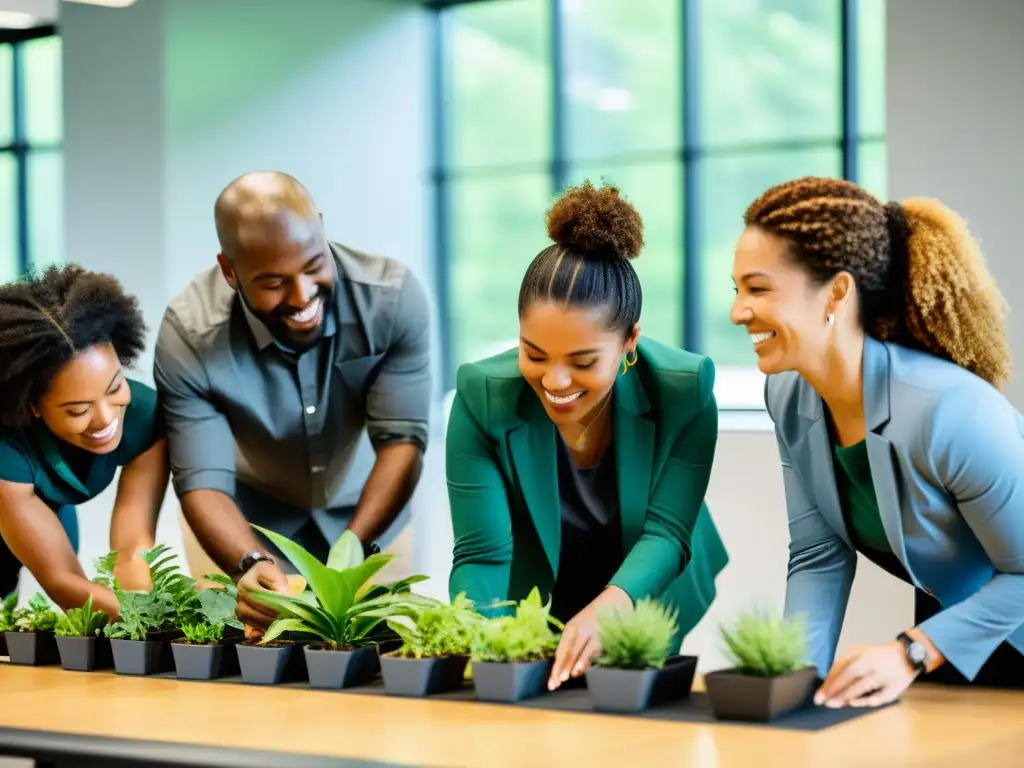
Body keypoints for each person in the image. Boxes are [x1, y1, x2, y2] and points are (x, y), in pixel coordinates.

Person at [731, 176, 1024, 707]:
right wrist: (795, 687)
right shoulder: (788, 396)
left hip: (965, 637)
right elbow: (819, 554)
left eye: (758, 288)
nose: (738, 312)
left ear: (837, 292)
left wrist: (911, 652)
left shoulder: (950, 409)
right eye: (737, 290)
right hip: (952, 643)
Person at [447, 181, 729, 691]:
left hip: (644, 581)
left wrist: (610, 608)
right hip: (535, 583)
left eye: (582, 363)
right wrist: (485, 646)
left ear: (629, 342)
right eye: (534, 355)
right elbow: (482, 554)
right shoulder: (480, 396)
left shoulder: (685, 391)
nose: (554, 382)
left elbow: (665, 534)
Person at [154, 171, 432, 638]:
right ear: (230, 270)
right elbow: (202, 481)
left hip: (371, 513)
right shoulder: (189, 335)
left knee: (379, 676)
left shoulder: (391, 299)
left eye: (311, 266)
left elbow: (402, 441)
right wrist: (250, 562)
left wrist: (349, 555)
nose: (302, 296)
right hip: (244, 526)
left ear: (320, 227)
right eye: (273, 282)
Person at [0, 265, 167, 616]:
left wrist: (150, 615)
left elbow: (132, 550)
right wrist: (154, 627)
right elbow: (61, 580)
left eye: (115, 388)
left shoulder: (143, 416)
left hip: (48, 509)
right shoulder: (7, 448)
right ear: (33, 407)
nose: (106, 419)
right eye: (78, 410)